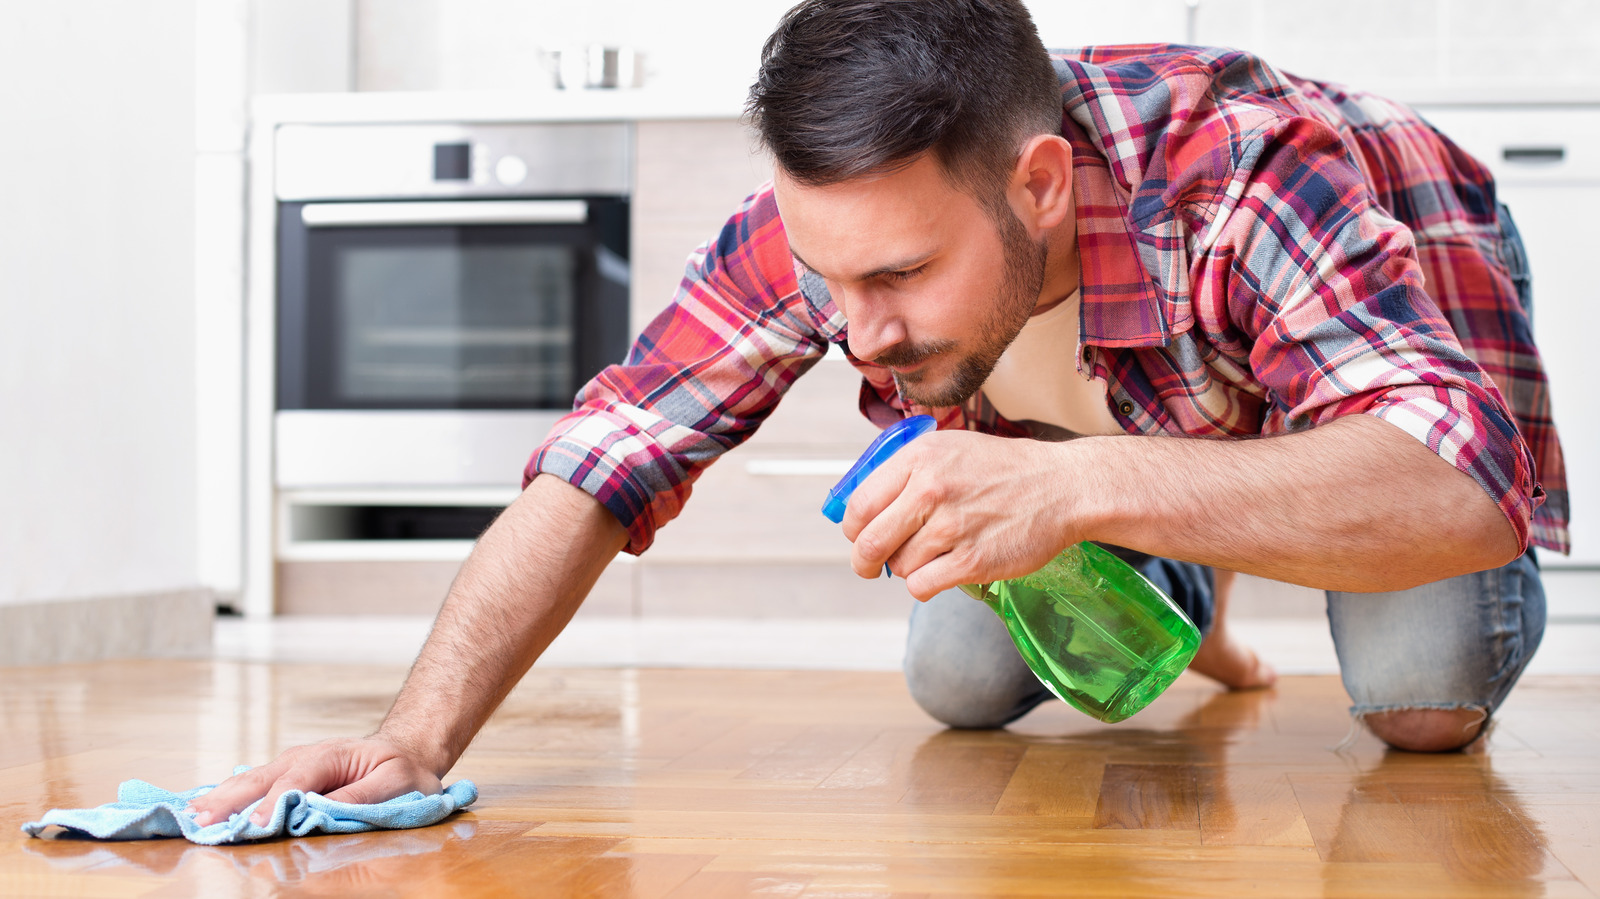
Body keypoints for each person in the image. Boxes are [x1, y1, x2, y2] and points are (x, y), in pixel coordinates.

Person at [188, 0, 1568, 825]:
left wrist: (1081, 489)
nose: (857, 332)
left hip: (1404, 333)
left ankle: (1193, 542)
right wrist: (412, 737)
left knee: (1423, 704)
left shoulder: (1251, 180)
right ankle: (1193, 591)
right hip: (1162, 413)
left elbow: (1455, 480)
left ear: (1037, 187)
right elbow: (611, 452)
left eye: (901, 276)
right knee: (958, 680)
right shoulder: (841, 220)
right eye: (831, 279)